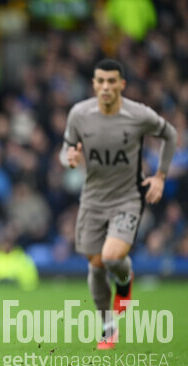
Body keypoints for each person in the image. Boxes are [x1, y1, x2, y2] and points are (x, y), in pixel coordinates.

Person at [60, 59, 177, 350]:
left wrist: (160, 176)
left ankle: (125, 279)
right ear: (94, 84)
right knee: (96, 264)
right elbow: (66, 149)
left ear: (122, 84)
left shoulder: (137, 114)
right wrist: (70, 159)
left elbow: (170, 134)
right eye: (101, 81)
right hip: (92, 199)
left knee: (112, 257)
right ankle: (107, 327)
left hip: (127, 197)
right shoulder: (80, 114)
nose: (106, 87)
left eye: (112, 81)